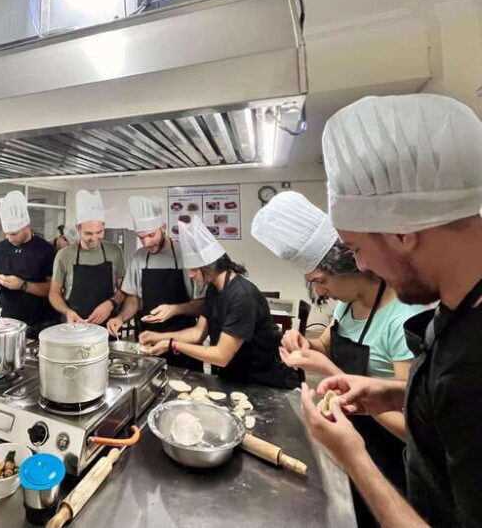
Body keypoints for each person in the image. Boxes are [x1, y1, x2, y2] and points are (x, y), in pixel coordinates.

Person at [300, 94, 482, 528]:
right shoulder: (460, 307)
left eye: (358, 248)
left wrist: (354, 458)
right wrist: (392, 393)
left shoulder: (475, 368)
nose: (361, 266)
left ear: (402, 234)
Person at [252, 191, 424, 526]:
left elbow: (412, 426)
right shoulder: (346, 305)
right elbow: (327, 344)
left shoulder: (402, 318)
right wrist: (307, 345)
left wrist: (331, 372)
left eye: (321, 281)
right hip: (351, 436)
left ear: (349, 265)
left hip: (389, 460)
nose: (320, 292)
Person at [142, 215, 300, 388]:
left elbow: (221, 356)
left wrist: (172, 345)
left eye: (194, 269)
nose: (190, 275)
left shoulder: (242, 297)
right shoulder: (214, 289)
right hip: (234, 376)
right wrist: (158, 337)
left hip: (263, 381)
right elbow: (197, 333)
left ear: (209, 266)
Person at [107, 196, 204, 370]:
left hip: (182, 341)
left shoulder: (184, 255)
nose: (147, 243)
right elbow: (133, 299)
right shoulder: (138, 257)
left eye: (151, 235)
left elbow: (202, 304)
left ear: (163, 228)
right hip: (148, 341)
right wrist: (120, 318)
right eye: (141, 237)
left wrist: (175, 309)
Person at [49, 190, 125, 326]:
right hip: (74, 325)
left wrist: (110, 304)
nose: (94, 238)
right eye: (88, 233)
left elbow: (124, 289)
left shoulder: (114, 251)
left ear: (104, 227)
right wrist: (67, 312)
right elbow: (54, 293)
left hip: (107, 325)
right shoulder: (64, 255)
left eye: (99, 232)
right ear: (78, 228)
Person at [0, 191, 56, 337]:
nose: (9, 238)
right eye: (6, 233)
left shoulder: (46, 250)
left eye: (14, 234)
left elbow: (53, 289)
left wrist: (23, 285)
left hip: (37, 322)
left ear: (27, 226)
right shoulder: (0, 249)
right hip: (5, 320)